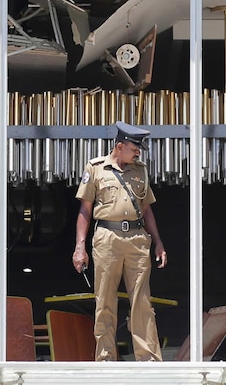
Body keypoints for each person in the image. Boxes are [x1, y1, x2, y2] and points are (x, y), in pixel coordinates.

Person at [72, 121, 168, 361]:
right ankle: (105, 358)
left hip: (137, 238)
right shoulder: (95, 168)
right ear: (119, 145)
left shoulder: (140, 170)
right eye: (134, 148)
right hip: (107, 238)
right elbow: (85, 210)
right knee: (104, 299)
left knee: (142, 300)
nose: (138, 152)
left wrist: (158, 242)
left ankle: (148, 358)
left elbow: (146, 210)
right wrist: (79, 247)